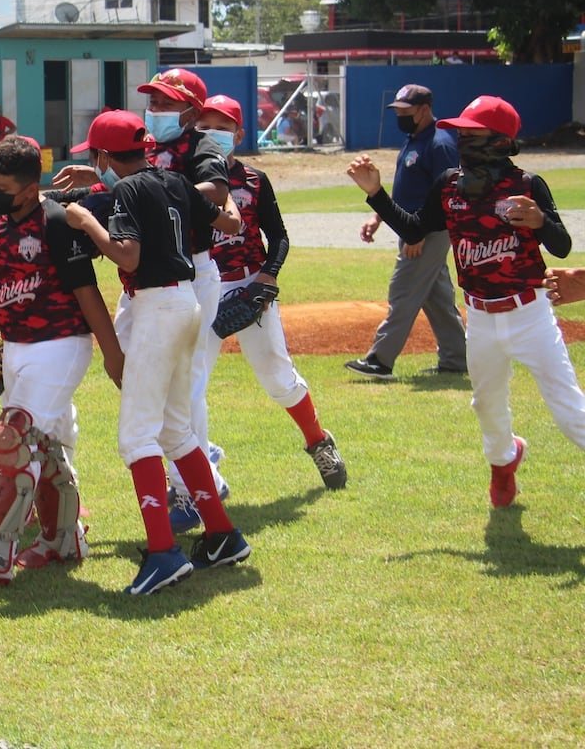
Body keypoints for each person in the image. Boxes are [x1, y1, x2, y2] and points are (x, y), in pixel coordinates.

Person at [347, 95, 585, 508]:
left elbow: (561, 247)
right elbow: (416, 229)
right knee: (487, 406)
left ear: (499, 140)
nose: (460, 139)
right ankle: (504, 465)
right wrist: (377, 195)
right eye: (460, 133)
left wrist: (540, 222)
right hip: (481, 319)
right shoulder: (450, 186)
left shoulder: (527, 185)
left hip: (529, 314)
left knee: (567, 408)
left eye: (471, 133)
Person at [63, 110, 248, 594]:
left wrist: (86, 220)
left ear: (103, 156)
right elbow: (227, 220)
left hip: (157, 306)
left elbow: (127, 255)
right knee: (174, 428)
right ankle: (222, 535)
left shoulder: (125, 190)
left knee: (137, 437)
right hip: (187, 301)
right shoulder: (175, 181)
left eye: (96, 158)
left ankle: (164, 553)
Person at [0, 136, 123, 584]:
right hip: (19, 346)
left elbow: (87, 293)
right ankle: (64, 538)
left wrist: (113, 355)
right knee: (45, 445)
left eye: (2, 186)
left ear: (28, 185)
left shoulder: (57, 221)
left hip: (61, 343)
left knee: (12, 437)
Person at [192, 95, 346, 497]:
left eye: (222, 128)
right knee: (192, 383)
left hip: (249, 286)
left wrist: (267, 277)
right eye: (205, 126)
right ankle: (198, 470)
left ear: (240, 135)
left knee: (277, 377)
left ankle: (318, 442)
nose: (213, 135)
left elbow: (277, 237)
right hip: (202, 288)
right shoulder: (186, 177)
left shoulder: (254, 180)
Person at [345, 84, 466, 380]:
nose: (400, 116)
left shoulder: (440, 144)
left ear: (424, 109)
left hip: (428, 232)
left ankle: (380, 361)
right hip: (411, 227)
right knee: (436, 297)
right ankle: (457, 359)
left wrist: (419, 234)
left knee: (403, 292)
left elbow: (447, 196)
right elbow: (405, 191)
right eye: (397, 110)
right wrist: (378, 218)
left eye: (405, 111)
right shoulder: (414, 140)